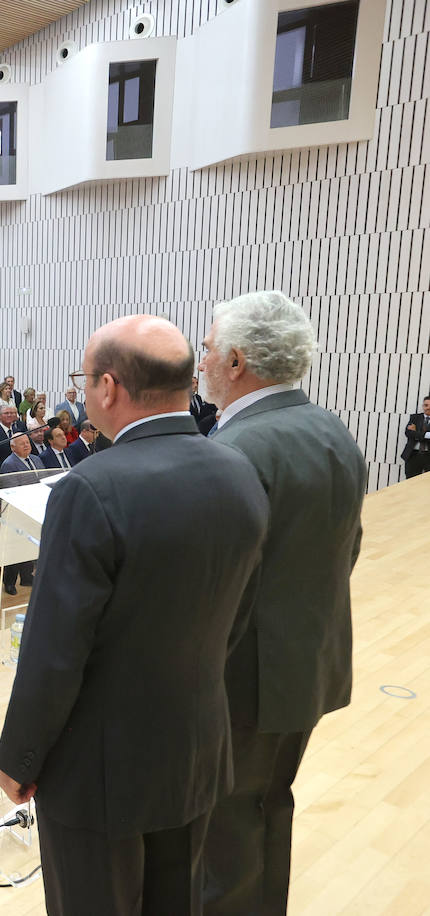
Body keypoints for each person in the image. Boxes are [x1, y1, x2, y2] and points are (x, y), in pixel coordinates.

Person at [0, 315, 270, 916]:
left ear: (109, 387)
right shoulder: (239, 470)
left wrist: (18, 759)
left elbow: (54, 652)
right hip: (195, 747)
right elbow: (236, 616)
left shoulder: (88, 489)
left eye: (85, 378)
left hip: (100, 774)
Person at [197, 291, 367, 914]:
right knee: (268, 804)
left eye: (209, 347)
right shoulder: (331, 429)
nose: (202, 360)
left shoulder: (232, 451)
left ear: (237, 361)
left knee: (225, 832)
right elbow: (346, 550)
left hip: (243, 682)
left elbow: (212, 591)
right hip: (309, 665)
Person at [401, 395, 430, 478]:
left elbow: (413, 434)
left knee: (427, 484)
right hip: (413, 455)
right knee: (410, 482)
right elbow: (408, 433)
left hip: (428, 456)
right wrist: (426, 435)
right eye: (426, 405)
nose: (428, 408)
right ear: (423, 406)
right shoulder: (415, 417)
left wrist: (416, 433)